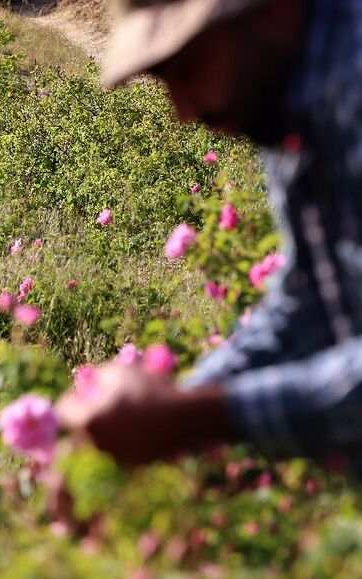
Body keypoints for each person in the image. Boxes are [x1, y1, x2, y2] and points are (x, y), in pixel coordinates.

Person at [56, 0, 362, 473]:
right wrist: (173, 411)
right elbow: (310, 303)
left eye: (186, 66)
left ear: (271, 11)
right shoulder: (285, 93)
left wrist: (196, 418)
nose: (181, 111)